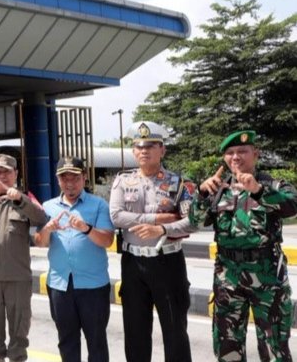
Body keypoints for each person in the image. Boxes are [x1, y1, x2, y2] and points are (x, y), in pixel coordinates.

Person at [190, 130, 297, 362]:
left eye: (242, 151)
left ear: (255, 154)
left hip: (267, 277)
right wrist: (201, 193)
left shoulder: (273, 184)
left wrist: (258, 191)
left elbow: (291, 206)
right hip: (228, 277)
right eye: (230, 152)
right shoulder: (218, 189)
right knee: (227, 348)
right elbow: (194, 221)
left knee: (274, 349)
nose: (235, 157)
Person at [109, 121, 196, 362]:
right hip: (133, 263)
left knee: (175, 330)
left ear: (162, 150)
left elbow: (192, 221)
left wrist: (162, 229)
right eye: (139, 146)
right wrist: (156, 218)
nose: (144, 151)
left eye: (150, 146)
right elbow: (116, 216)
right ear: (133, 151)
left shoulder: (179, 183)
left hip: (168, 261)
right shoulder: (122, 180)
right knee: (135, 331)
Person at [35, 157, 115, 362]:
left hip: (93, 285)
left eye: (75, 178)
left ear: (84, 178)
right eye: (64, 178)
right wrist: (47, 229)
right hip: (60, 284)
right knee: (67, 340)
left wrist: (86, 228)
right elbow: (40, 242)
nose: (69, 183)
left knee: (96, 341)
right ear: (58, 180)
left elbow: (107, 240)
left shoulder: (99, 205)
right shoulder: (48, 206)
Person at [0, 153, 46, 362]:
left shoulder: (25, 198)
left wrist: (19, 199)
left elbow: (40, 217)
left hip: (18, 278)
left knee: (19, 335)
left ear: (16, 174)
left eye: (7, 172)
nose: (2, 176)